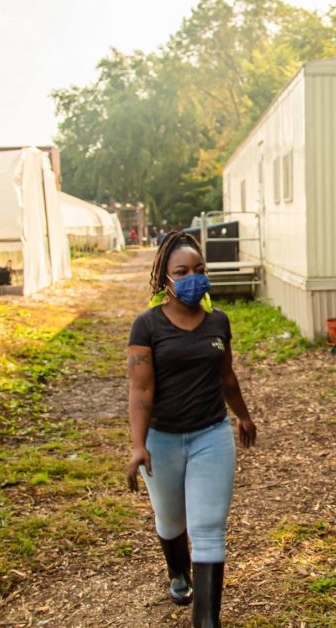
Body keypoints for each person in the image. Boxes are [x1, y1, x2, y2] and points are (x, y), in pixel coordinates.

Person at [126, 230, 257, 627]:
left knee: (208, 527)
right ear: (164, 278)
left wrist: (243, 415)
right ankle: (177, 572)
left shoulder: (218, 321)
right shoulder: (146, 325)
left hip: (210, 435)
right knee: (170, 519)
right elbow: (141, 388)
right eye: (181, 271)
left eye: (199, 269)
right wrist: (137, 445)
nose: (193, 277)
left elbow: (227, 376)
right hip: (162, 439)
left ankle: (206, 621)